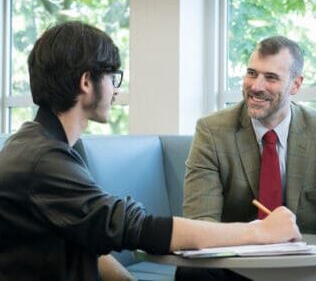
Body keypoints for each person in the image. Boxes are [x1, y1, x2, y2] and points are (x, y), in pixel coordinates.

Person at [0, 23, 301, 281]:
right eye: (112, 77)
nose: (116, 90)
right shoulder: (44, 160)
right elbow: (139, 228)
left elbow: (90, 236)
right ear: (87, 82)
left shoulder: (40, 146)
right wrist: (259, 233)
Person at [178, 35, 314, 280]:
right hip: (234, 265)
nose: (256, 86)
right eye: (252, 73)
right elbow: (201, 222)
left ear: (295, 85)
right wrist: (258, 234)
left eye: (271, 77)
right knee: (191, 273)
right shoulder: (212, 131)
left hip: (305, 267)